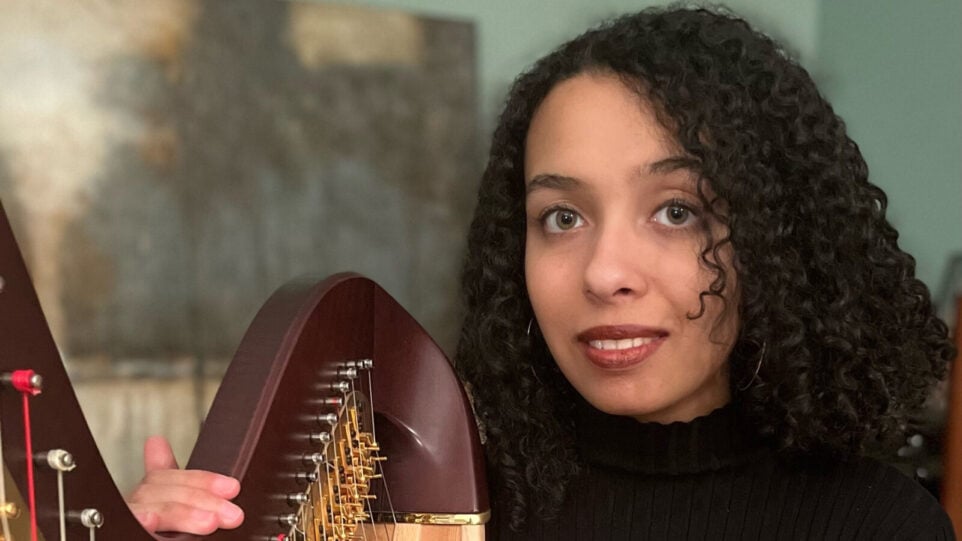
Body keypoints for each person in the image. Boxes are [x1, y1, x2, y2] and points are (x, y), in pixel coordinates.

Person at [126, 6, 957, 539]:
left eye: (677, 210)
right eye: (562, 217)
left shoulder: (880, 525)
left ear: (775, 238)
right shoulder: (437, 512)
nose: (603, 272)